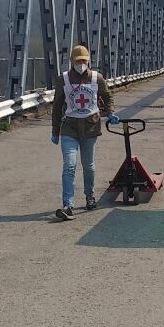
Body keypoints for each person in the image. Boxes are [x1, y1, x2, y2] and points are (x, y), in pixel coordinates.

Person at [51, 44, 117, 220]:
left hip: (90, 127)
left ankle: (90, 196)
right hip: (69, 128)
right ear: (71, 61)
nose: (81, 63)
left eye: (83, 60)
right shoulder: (63, 79)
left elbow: (108, 95)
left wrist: (110, 112)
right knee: (69, 166)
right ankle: (67, 205)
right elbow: (57, 106)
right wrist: (55, 131)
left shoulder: (97, 78)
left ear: (88, 61)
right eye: (77, 60)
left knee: (88, 166)